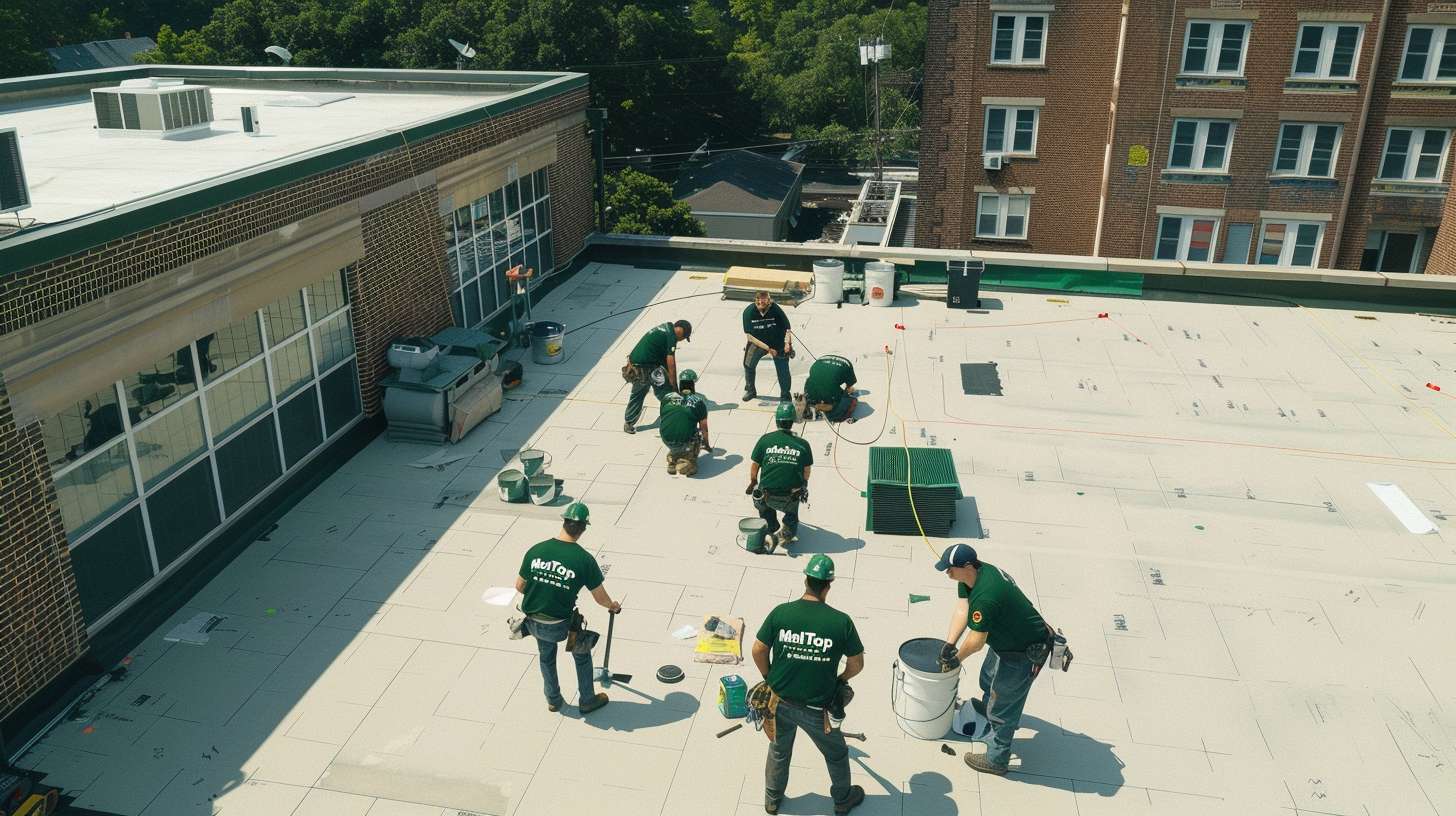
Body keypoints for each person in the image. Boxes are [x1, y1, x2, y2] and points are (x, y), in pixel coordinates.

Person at [752, 554, 866, 816]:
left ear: (806, 580)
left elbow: (758, 649)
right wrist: (841, 679)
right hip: (818, 709)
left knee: (779, 750)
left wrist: (770, 679)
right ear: (829, 585)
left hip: (779, 702)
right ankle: (843, 799)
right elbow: (857, 663)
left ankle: (772, 800)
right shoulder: (841, 622)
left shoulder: (781, 613)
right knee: (836, 754)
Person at [935, 543, 1054, 775]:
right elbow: (963, 608)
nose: (946, 572)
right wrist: (950, 643)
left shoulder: (986, 596)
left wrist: (957, 659)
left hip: (1024, 652)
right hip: (1004, 641)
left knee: (1004, 705)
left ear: (967, 566)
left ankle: (997, 759)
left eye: (950, 568)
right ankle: (988, 714)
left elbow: (976, 641)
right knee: (988, 679)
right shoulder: (973, 576)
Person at [514, 502, 622, 714]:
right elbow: (600, 597)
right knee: (581, 653)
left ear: (564, 522)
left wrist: (544, 589)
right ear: (583, 529)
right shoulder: (583, 560)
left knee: (546, 656)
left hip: (534, 622)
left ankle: (553, 700)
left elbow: (519, 586)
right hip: (563, 625)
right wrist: (613, 606)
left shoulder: (536, 550)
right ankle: (587, 700)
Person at [747, 402, 813, 552]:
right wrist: (804, 485)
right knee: (792, 515)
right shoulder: (803, 444)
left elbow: (755, 466)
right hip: (789, 496)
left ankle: (770, 525)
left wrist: (753, 482)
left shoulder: (765, 440)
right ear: (793, 421)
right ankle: (785, 533)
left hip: (766, 495)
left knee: (761, 502)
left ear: (776, 421)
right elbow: (806, 470)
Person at [623, 319, 692, 434]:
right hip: (645, 368)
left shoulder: (665, 329)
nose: (681, 340)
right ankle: (676, 415)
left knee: (640, 393)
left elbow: (662, 357)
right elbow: (670, 362)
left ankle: (629, 422)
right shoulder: (671, 337)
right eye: (684, 338)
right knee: (663, 391)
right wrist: (674, 385)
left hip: (639, 364)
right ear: (682, 333)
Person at [658, 369, 711, 476]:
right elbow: (704, 428)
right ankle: (686, 463)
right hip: (684, 442)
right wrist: (706, 444)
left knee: (677, 436)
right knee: (698, 436)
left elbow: (663, 417)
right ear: (693, 385)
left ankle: (672, 460)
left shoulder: (667, 397)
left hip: (665, 438)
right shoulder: (698, 402)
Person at [743, 290, 793, 402]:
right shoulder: (748, 312)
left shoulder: (776, 309)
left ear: (769, 301)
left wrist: (787, 344)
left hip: (777, 342)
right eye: (758, 300)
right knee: (748, 365)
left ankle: (785, 394)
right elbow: (750, 337)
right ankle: (750, 390)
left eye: (764, 301)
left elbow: (787, 329)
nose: (761, 303)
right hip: (758, 342)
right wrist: (768, 349)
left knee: (783, 369)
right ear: (755, 300)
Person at [802, 354, 858, 423]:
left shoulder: (821, 358)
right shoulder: (848, 366)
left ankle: (811, 401)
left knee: (816, 386)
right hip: (829, 391)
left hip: (810, 388)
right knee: (849, 401)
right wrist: (847, 392)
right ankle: (825, 408)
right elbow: (849, 388)